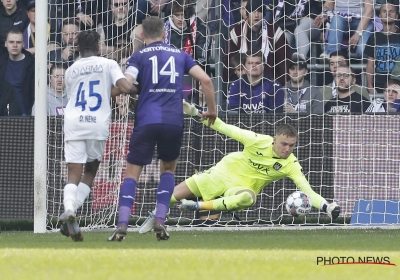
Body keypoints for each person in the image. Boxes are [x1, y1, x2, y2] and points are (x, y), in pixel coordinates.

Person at [138, 100, 341, 234]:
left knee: (248, 198)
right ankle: (155, 215)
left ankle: (198, 206)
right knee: (173, 195)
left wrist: (327, 206)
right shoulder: (256, 140)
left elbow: (308, 191)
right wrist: (194, 112)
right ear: (274, 140)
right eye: (284, 144)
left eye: (291, 145)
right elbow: (223, 127)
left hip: (240, 187)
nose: (287, 149)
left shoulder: (291, 164)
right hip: (223, 172)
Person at [107, 16, 217, 242]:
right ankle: (160, 219)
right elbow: (206, 80)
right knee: (167, 171)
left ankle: (122, 225)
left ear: (143, 36)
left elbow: (126, 83)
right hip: (172, 121)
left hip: (146, 120)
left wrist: (134, 90)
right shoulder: (180, 55)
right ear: (165, 34)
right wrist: (212, 110)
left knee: (131, 174)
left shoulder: (138, 56)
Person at [59, 30, 137, 242]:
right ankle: (73, 208)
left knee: (73, 171)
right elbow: (124, 87)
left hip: (74, 121)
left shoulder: (71, 70)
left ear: (78, 48)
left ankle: (68, 209)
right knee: (91, 168)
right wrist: (139, 90)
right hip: (97, 123)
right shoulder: (108, 64)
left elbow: (79, 93)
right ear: (99, 46)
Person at [226, 0, 290, 86]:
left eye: (260, 11)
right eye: (253, 11)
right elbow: (229, 62)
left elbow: (284, 61)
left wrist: (279, 84)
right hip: (243, 83)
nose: (256, 15)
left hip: (269, 83)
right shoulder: (236, 31)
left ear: (263, 13)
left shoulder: (274, 30)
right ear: (247, 13)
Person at [365, 1, 400, 95]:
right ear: (379, 16)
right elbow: (370, 65)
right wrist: (370, 85)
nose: (388, 13)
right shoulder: (374, 37)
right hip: (379, 83)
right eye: (384, 11)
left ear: (396, 16)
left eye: (391, 11)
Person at [0, 29, 35, 116]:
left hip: (24, 112)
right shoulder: (1, 62)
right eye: (11, 42)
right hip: (3, 112)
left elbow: (33, 92)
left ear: (23, 44)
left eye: (18, 42)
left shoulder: (32, 63)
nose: (15, 45)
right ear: (6, 44)